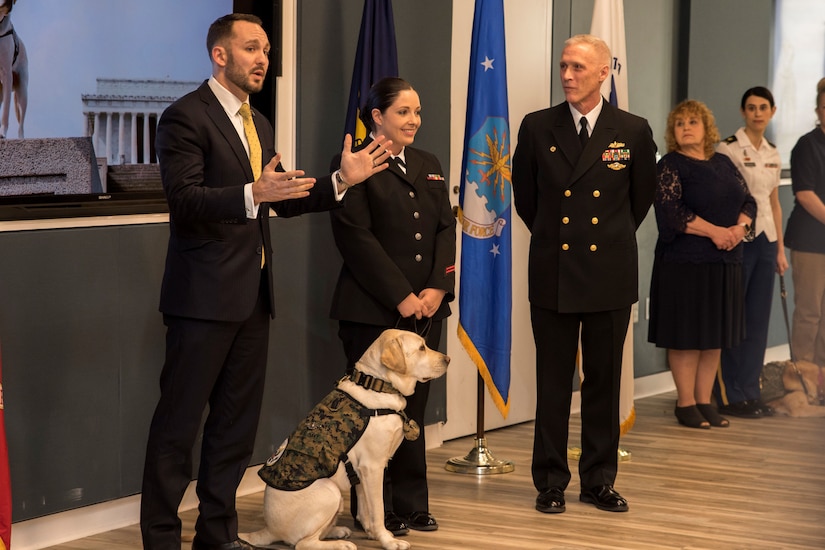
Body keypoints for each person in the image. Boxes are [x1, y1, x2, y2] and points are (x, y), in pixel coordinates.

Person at [140, 13, 392, 550]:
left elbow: (280, 199)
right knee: (177, 430)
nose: (263, 60)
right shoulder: (184, 117)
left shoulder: (260, 123)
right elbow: (184, 203)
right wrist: (254, 192)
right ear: (220, 55)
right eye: (252, 48)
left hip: (253, 301)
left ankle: (217, 535)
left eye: (268, 51)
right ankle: (161, 540)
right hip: (202, 302)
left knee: (233, 430)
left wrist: (340, 181)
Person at [512, 34, 657, 515]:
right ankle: (550, 481)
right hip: (554, 270)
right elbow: (527, 202)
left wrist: (605, 243)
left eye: (578, 67)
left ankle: (599, 479)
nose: (567, 76)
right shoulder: (537, 127)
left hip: (609, 274)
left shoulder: (633, 130)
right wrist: (559, 241)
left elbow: (638, 202)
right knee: (552, 382)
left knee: (603, 382)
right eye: (563, 66)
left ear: (603, 73)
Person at [329, 76, 455, 534]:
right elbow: (354, 238)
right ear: (377, 117)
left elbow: (445, 228)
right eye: (404, 112)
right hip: (372, 310)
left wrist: (438, 289)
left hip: (426, 308)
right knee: (369, 417)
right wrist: (400, 295)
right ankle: (369, 514)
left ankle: (410, 503)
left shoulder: (428, 162)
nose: (414, 120)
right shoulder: (355, 164)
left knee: (412, 414)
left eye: (417, 112)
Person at [648, 99, 756, 431]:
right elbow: (671, 212)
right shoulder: (670, 164)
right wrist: (716, 233)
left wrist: (739, 230)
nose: (685, 128)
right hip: (684, 263)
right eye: (679, 124)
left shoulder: (723, 162)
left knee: (713, 336)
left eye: (692, 122)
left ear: (706, 128)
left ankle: (705, 400)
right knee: (686, 336)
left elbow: (749, 200)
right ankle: (686, 403)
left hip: (725, 262)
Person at [714, 87, 787, 418]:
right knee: (734, 320)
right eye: (751, 108)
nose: (757, 113)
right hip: (739, 240)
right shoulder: (728, 149)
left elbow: (774, 203)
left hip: (767, 241)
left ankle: (751, 390)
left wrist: (781, 250)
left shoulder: (773, 151)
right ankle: (731, 393)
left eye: (763, 108)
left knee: (757, 320)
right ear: (743, 112)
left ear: (772, 111)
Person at [785, 77, 825, 369]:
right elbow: (806, 195)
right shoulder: (807, 146)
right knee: (810, 312)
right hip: (811, 241)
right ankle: (804, 379)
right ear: (818, 109)